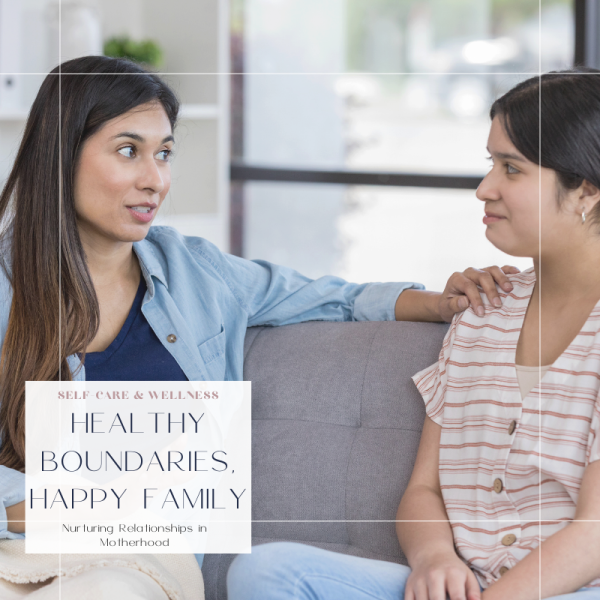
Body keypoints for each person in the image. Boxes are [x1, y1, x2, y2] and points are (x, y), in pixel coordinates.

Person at [0, 56, 515, 597]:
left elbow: (332, 298)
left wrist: (441, 303)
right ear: (61, 155)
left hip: (137, 560)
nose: (156, 180)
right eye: (129, 151)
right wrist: (34, 505)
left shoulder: (194, 270)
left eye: (165, 154)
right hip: (19, 542)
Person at [226, 68, 600, 600]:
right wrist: (433, 559)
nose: (484, 188)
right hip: (465, 587)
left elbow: (593, 535)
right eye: (489, 163)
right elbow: (423, 488)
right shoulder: (483, 309)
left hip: (575, 589)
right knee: (266, 573)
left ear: (586, 190)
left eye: (511, 169)